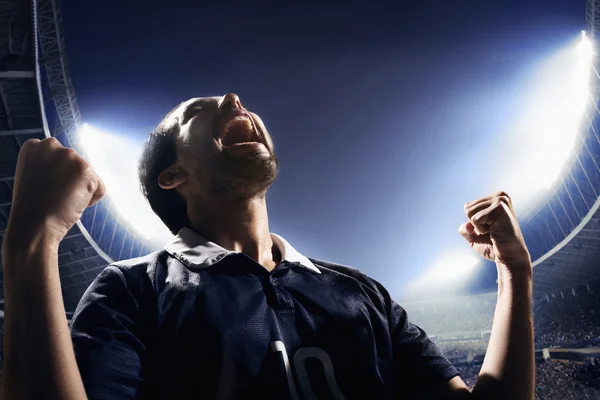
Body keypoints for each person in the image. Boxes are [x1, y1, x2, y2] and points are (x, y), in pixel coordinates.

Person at [0, 94, 534, 399]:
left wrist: (514, 271)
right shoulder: (131, 291)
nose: (235, 100)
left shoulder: (362, 294)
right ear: (173, 176)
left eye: (235, 101)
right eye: (197, 112)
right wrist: (33, 241)